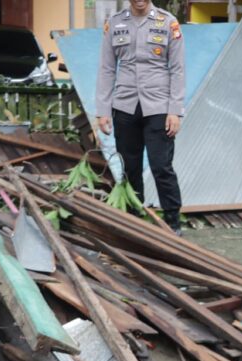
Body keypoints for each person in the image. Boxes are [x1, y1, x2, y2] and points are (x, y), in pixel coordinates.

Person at [95, 0, 185, 234]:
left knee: (161, 165)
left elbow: (177, 69)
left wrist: (175, 111)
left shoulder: (168, 22)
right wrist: (103, 111)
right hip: (125, 105)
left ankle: (173, 221)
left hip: (158, 106)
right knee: (129, 167)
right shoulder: (115, 23)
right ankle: (135, 219)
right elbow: (106, 69)